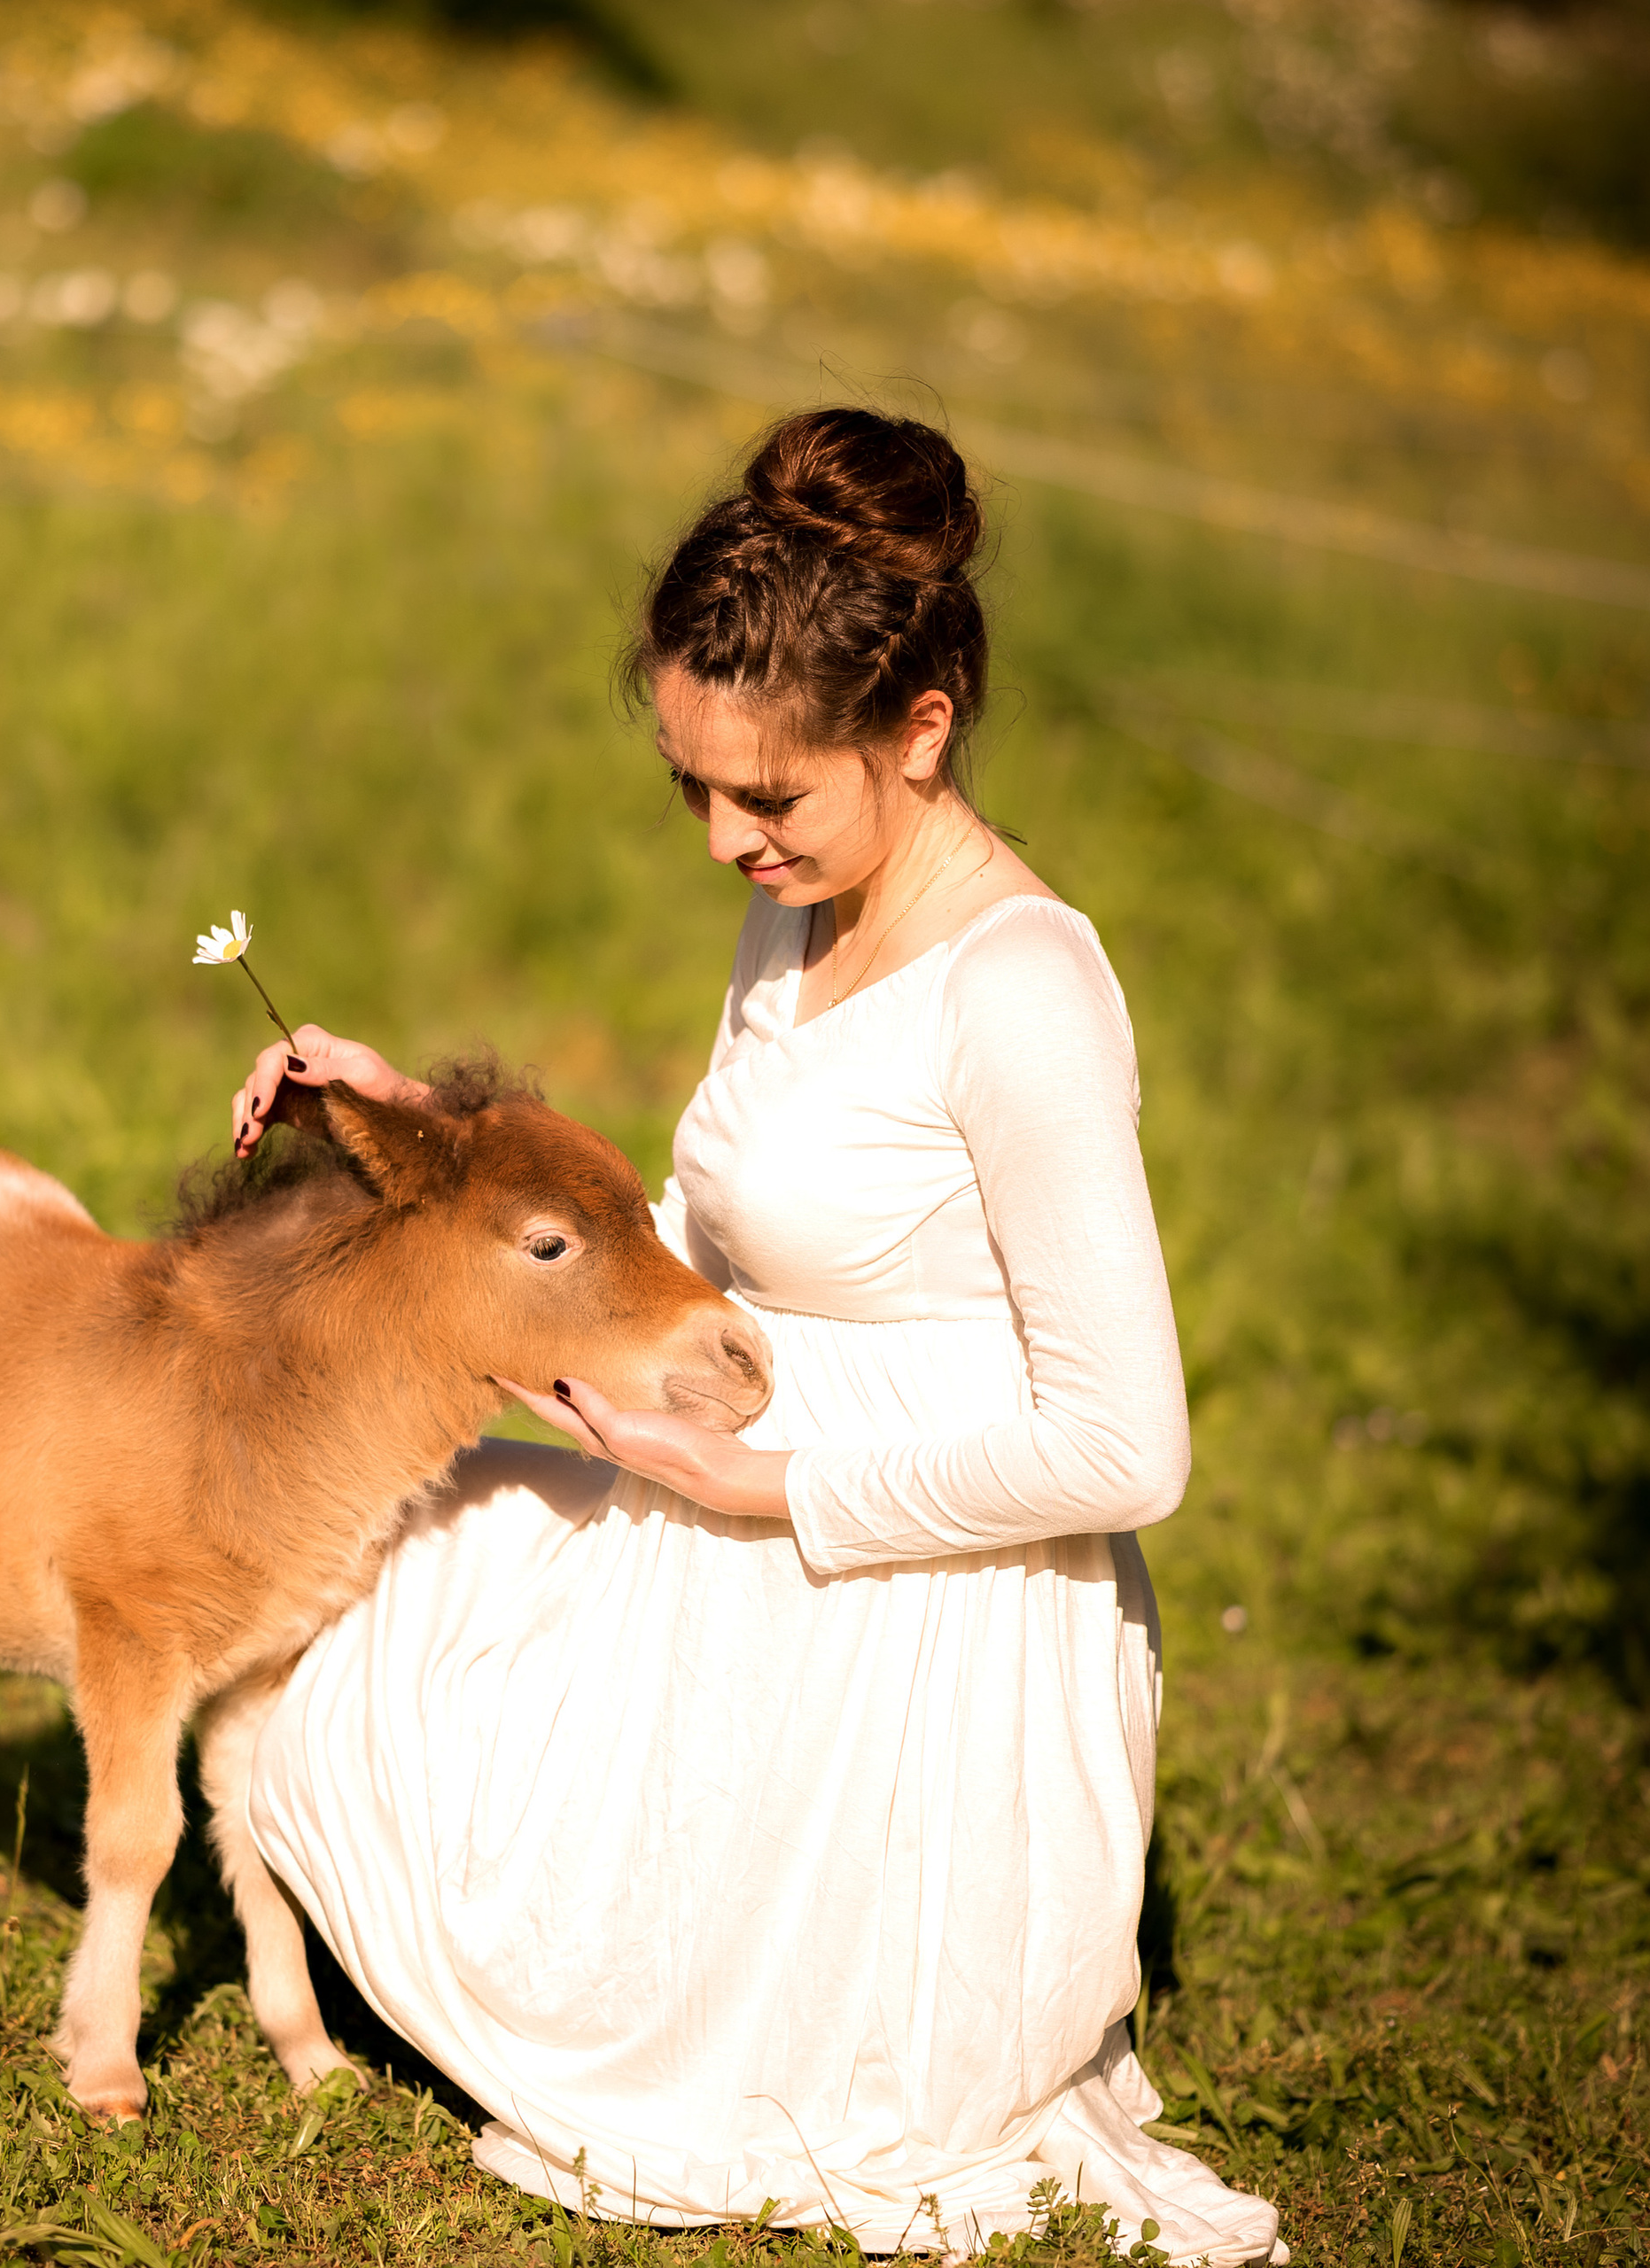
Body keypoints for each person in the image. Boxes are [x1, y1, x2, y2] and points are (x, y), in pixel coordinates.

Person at [225, 407, 1286, 2264]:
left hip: (911, 1585)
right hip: (718, 1463)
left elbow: (1128, 1443)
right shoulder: (798, 910)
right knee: (344, 1553)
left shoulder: (1020, 990)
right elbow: (701, 1239)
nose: (725, 837)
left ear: (918, 732)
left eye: (768, 796)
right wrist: (414, 1134)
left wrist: (772, 1481)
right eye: (689, 789)